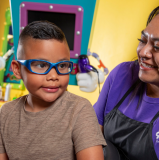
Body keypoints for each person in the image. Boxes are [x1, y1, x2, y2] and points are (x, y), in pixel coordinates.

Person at [0, 21, 106, 160]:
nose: (53, 76)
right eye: (41, 65)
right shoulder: (6, 113)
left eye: (62, 65)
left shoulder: (79, 109)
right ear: (17, 69)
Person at [93, 6, 159, 160]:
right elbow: (90, 136)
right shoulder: (122, 75)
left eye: (157, 47)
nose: (143, 52)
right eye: (142, 41)